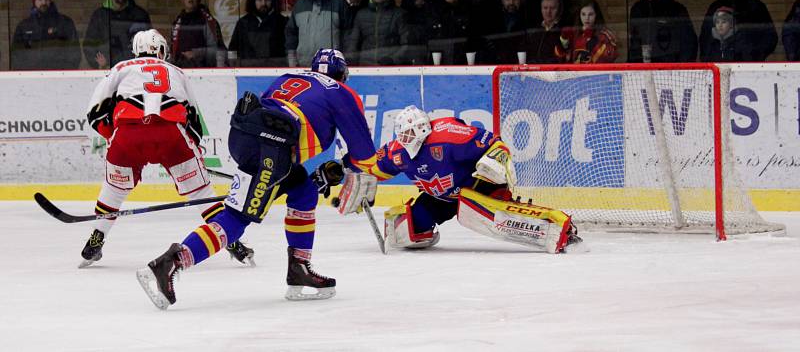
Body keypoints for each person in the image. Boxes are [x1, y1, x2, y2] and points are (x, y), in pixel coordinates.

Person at [136, 49, 378, 309]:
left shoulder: (289, 77)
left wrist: (322, 173)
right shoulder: (341, 92)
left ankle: (299, 268)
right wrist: (345, 166)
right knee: (238, 218)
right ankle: (171, 262)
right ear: (343, 74)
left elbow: (278, 117)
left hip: (248, 138)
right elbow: (365, 155)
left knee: (303, 190)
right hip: (271, 149)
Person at [82, 29, 254, 269]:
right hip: (171, 134)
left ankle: (95, 241)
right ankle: (232, 242)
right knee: (201, 192)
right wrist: (191, 155)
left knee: (114, 189)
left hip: (128, 134)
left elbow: (95, 111)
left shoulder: (121, 68)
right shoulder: (177, 71)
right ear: (161, 50)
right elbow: (194, 121)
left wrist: (116, 135)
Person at [352, 105, 580, 252]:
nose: (405, 138)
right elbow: (371, 164)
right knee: (403, 231)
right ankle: (425, 228)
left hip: (477, 186)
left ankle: (558, 225)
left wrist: (494, 166)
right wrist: (354, 174)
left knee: (491, 209)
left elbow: (495, 144)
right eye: (402, 134)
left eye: (410, 133)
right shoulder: (397, 152)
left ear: (423, 128)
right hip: (442, 198)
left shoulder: (448, 136)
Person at [698, 0, 776, 62]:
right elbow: (705, 37)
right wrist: (708, 59)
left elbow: (770, 36)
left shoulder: (755, 7)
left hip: (748, 65)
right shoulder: (714, 8)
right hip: (719, 66)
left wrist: (755, 55)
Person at [83, 0, 152, 69]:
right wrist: (98, 63)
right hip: (107, 69)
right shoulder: (99, 15)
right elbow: (89, 43)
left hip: (134, 69)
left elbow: (149, 42)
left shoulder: (140, 15)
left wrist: (141, 63)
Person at [627, 0, 697, 63]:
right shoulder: (637, 10)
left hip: (671, 67)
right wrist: (633, 63)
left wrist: (682, 66)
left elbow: (688, 41)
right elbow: (635, 41)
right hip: (644, 67)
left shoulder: (676, 9)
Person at [285, 0, 349, 67]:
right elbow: (291, 33)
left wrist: (344, 60)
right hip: (304, 64)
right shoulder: (300, 5)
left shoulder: (339, 4)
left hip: (331, 65)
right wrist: (291, 58)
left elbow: (348, 35)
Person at [11, 0, 81, 70]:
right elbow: (16, 54)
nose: (43, 2)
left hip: (59, 76)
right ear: (34, 1)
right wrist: (25, 74)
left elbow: (74, 51)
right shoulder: (24, 26)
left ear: (50, 1)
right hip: (32, 77)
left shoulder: (64, 22)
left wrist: (66, 72)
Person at [345, 0, 409, 65]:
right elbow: (353, 43)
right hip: (365, 67)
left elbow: (407, 45)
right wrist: (348, 61)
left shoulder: (398, 14)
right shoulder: (361, 15)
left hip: (391, 68)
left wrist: (393, 60)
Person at [228, 0, 287, 67]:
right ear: (253, 1)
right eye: (259, 0)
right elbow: (233, 49)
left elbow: (290, 50)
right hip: (248, 72)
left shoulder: (282, 22)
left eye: (267, 0)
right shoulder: (243, 23)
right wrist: (232, 67)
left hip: (275, 71)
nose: (263, 3)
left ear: (273, 1)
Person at [171, 0, 227, 68]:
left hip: (203, 71)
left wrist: (196, 53)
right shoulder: (177, 23)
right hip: (180, 71)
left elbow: (219, 51)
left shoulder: (208, 22)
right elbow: (172, 52)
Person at [555, 0, 618, 64]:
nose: (586, 18)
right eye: (583, 14)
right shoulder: (574, 34)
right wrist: (562, 39)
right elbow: (562, 59)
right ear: (579, 15)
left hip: (595, 73)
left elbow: (608, 59)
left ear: (596, 15)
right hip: (575, 73)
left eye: (590, 14)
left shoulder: (605, 35)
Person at [524, 0, 563, 64]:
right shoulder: (534, 31)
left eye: (553, 8)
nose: (548, 11)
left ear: (559, 10)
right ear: (541, 9)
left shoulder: (564, 30)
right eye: (545, 8)